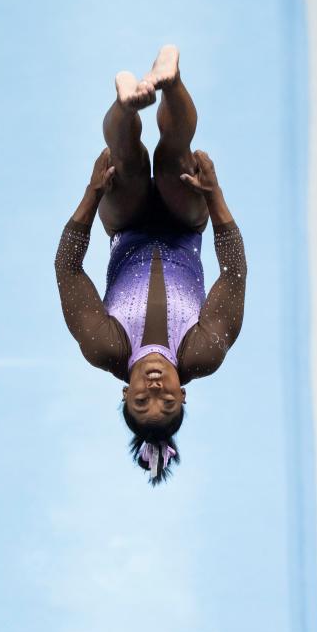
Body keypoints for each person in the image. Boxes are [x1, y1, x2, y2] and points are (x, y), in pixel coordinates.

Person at [55, 45, 247, 484]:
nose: (154, 392)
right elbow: (234, 272)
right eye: (168, 403)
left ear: (125, 394)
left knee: (128, 166)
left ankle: (127, 103)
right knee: (175, 162)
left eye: (141, 403)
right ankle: (170, 79)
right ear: (184, 396)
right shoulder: (202, 352)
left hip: (128, 225)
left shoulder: (106, 347)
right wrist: (214, 194)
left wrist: (93, 194)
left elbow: (67, 269)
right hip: (184, 226)